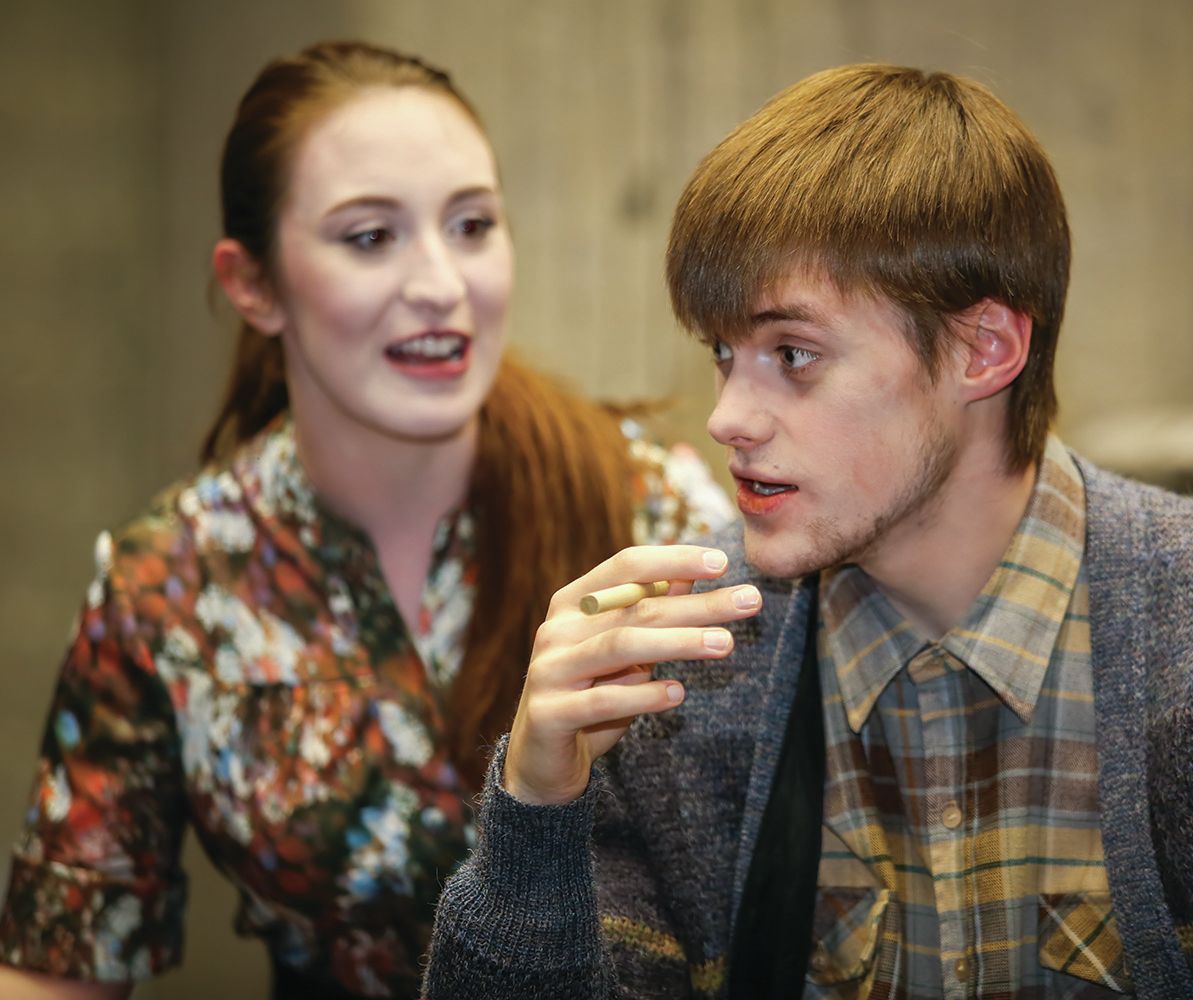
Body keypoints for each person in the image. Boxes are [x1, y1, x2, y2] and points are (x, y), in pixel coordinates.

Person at [422, 64, 1193, 999]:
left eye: (793, 354)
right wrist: (534, 807)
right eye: (722, 352)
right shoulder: (683, 669)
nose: (726, 417)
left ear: (984, 350)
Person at [0, 41, 731, 1000]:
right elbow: (60, 966)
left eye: (472, 225)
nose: (440, 283)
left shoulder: (656, 517)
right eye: (369, 237)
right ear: (252, 284)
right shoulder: (169, 586)